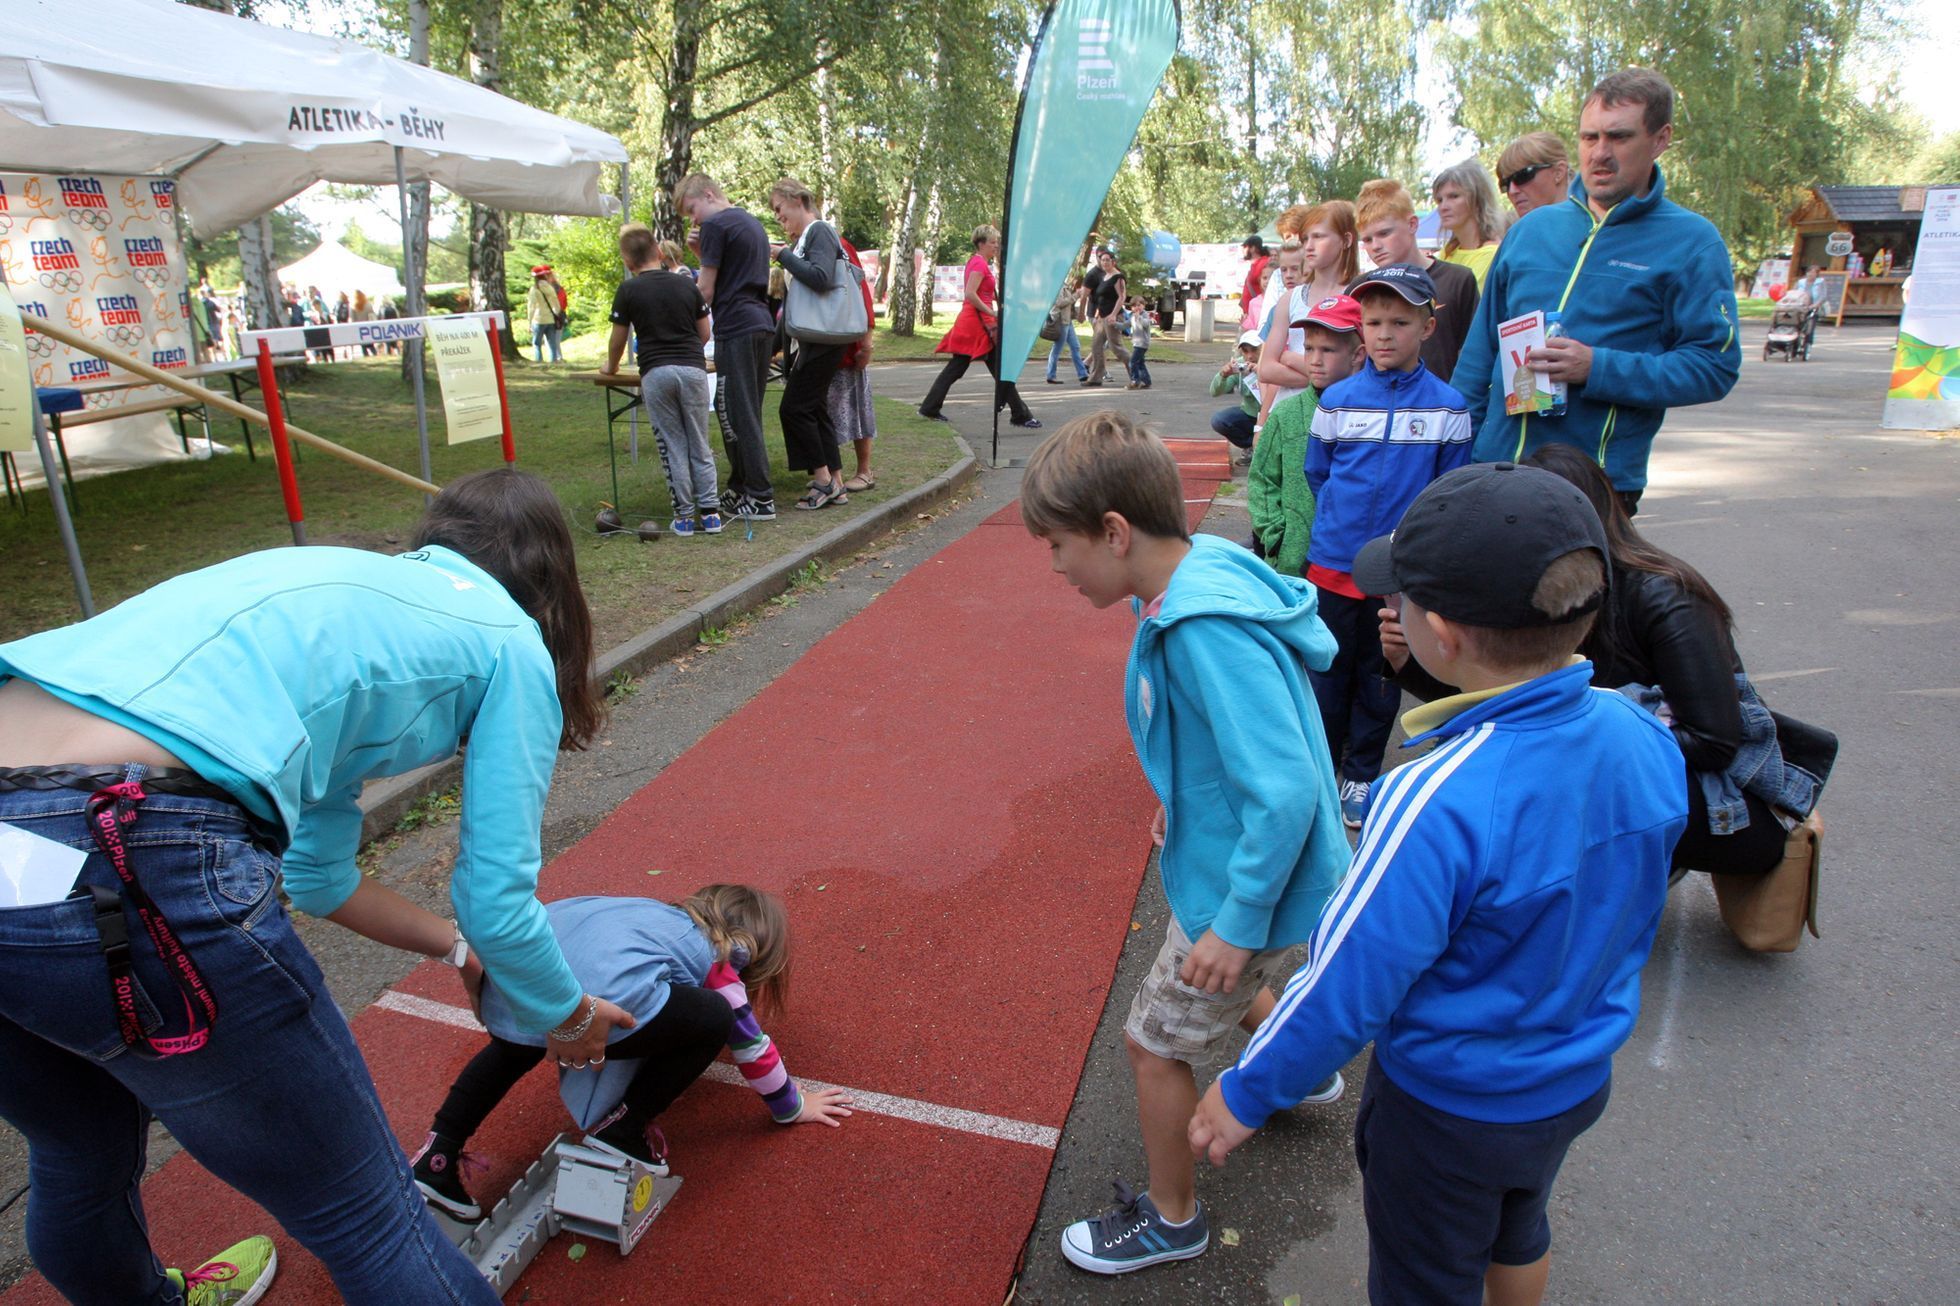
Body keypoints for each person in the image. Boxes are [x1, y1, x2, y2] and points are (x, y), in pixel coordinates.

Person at [0, 468, 625, 1305]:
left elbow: (319, 878)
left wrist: (452, 945)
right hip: (121, 836)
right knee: (368, 1216)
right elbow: (502, 904)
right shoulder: (511, 641)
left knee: (78, 1146)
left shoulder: (346, 596)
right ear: (555, 584)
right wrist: (569, 1017)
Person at [1188, 461, 1688, 1306]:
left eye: (1399, 598)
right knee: (1519, 1223)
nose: (1388, 609)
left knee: (1425, 1275)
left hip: (1450, 1109)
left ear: (1441, 634)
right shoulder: (1640, 730)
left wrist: (1249, 1087)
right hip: (1571, 1079)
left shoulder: (1433, 796)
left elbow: (1348, 980)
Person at [1021, 412, 1350, 1277]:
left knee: (1154, 1044)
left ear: (1115, 532)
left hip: (1254, 888)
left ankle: (1173, 1220)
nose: (1055, 567)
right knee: (1226, 982)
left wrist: (1237, 921)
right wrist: (1185, 802)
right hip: (1252, 867)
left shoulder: (1203, 627)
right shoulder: (1195, 575)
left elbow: (1281, 790)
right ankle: (1294, 1065)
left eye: (1058, 546)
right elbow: (1229, 748)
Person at [1382, 443, 1825, 881]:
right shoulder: (1553, 595)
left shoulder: (1667, 597)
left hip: (1723, 805)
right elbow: (1501, 695)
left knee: (1536, 778)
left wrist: (1587, 739)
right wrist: (1410, 664)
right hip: (1633, 767)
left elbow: (1714, 741)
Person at [410, 885, 853, 1220]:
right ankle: (623, 1130)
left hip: (512, 980)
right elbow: (750, 1043)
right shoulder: (722, 957)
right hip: (588, 1006)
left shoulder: (651, 914)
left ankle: (437, 1157)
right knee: (713, 1017)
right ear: (755, 949)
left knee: (512, 1049)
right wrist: (792, 1107)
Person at [1451, 67, 1742, 516]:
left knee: (1580, 591)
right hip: (1496, 471)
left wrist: (1598, 367)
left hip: (1595, 485)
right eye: (1590, 138)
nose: (1600, 154)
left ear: (1660, 139)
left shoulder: (1692, 242)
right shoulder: (1531, 230)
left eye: (1619, 137)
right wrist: (1457, 453)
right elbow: (1480, 353)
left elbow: (1713, 366)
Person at [1306, 264, 1472, 828]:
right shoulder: (1337, 400)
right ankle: (1319, 770)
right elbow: (1319, 475)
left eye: (1399, 321)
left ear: (1427, 327)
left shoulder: (1448, 409)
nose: (1383, 334)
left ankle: (1361, 774)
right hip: (1331, 567)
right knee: (1327, 671)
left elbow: (1448, 492)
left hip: (1399, 576)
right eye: (1373, 321)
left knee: (1383, 677)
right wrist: (1338, 528)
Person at [601, 223, 721, 537]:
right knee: (699, 440)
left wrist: (610, 366)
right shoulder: (687, 284)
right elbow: (705, 331)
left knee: (673, 443)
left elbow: (619, 339)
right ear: (658, 251)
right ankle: (710, 513)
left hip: (656, 371)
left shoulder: (628, 290)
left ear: (627, 262)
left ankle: (683, 516)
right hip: (693, 370)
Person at [676, 173, 778, 521]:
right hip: (762, 325)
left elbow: (705, 289)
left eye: (692, 210)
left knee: (735, 413)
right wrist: (698, 252)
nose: (694, 220)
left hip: (736, 327)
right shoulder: (751, 223)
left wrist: (680, 324)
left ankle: (761, 497)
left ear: (708, 194)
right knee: (744, 410)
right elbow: (735, 272)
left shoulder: (716, 225)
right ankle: (741, 488)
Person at [1248, 294, 1363, 578]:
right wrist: (1276, 537)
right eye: (1309, 349)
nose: (1315, 360)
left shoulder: (1372, 414)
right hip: (1293, 564)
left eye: (1328, 350)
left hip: (1353, 567)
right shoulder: (1286, 415)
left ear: (1357, 355)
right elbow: (1262, 479)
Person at [767, 178, 852, 510]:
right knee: (814, 409)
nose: (777, 216)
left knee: (794, 408)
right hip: (818, 339)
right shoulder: (809, 237)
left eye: (779, 208)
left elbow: (820, 277)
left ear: (798, 200)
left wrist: (784, 255)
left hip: (824, 339)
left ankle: (824, 480)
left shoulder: (819, 231)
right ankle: (837, 484)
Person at [1353, 177, 1479, 381]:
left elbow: (1474, 356)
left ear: (1412, 224)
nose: (1375, 246)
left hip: (1441, 407)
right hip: (1373, 408)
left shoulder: (1457, 280)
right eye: (1367, 239)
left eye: (1384, 233)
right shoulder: (1360, 288)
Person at [916, 224, 1041, 429]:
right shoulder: (979, 264)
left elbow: (983, 293)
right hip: (977, 325)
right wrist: (990, 311)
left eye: (996, 242)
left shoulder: (978, 262)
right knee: (997, 369)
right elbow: (970, 294)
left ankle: (929, 407)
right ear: (981, 243)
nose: (996, 246)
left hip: (976, 322)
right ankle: (1020, 414)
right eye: (992, 242)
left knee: (963, 368)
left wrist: (1008, 305)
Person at [828, 231, 879, 493]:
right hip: (827, 346)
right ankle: (830, 473)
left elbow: (862, 295)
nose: (782, 221)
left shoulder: (839, 245)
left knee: (858, 408)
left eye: (782, 211)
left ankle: (864, 470)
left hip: (850, 348)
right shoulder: (801, 246)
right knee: (827, 411)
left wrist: (867, 344)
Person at [1433, 158, 1508, 289]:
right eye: (1439, 200)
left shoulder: (1490, 254)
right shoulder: (1449, 252)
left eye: (1454, 196)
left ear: (1478, 199)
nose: (1443, 207)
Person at [1207, 330, 1264, 452]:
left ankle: (1263, 446)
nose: (1249, 356)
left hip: (1270, 416)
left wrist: (1261, 372)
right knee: (1219, 420)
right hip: (1250, 414)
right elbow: (1214, 392)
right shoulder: (1240, 365)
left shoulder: (1271, 364)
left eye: (1254, 350)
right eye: (1245, 351)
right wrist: (1223, 375)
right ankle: (1251, 446)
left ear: (1263, 348)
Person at [1083, 247, 1131, 387]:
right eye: (1102, 260)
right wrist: (1099, 315)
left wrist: (1114, 315)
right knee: (1096, 346)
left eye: (1107, 260)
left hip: (1113, 317)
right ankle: (1096, 377)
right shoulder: (1105, 276)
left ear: (1113, 262)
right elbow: (1100, 298)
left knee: (1117, 348)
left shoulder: (1118, 277)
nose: (1104, 263)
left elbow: (1122, 297)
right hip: (1101, 318)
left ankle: (1136, 374)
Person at [1497, 132, 1573, 218]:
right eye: (1505, 184)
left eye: (1522, 176)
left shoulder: (1587, 224)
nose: (1512, 191)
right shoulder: (1515, 230)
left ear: (1559, 172)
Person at [1044, 276, 1088, 385]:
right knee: (1057, 349)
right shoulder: (1057, 286)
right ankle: (1051, 375)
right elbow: (1059, 303)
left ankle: (1083, 374)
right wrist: (1076, 296)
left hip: (1067, 321)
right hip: (1061, 321)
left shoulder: (1064, 285)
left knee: (1075, 346)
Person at [527, 264, 563, 363]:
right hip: (550, 319)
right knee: (552, 344)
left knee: (537, 343)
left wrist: (529, 322)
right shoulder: (550, 288)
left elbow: (531, 307)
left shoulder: (534, 289)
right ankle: (553, 361)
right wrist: (556, 313)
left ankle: (539, 361)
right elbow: (556, 305)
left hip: (538, 320)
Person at [1240, 234, 1270, 325]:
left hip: (1259, 312)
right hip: (1251, 313)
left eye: (1245, 246)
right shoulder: (1256, 264)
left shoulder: (1264, 263)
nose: (1243, 250)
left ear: (1253, 248)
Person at [1125, 296, 1153, 389]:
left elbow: (1146, 324)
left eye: (1139, 305)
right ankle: (1147, 381)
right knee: (1140, 363)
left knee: (1132, 362)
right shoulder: (1132, 317)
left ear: (1143, 306)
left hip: (1143, 343)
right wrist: (1115, 324)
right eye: (1134, 306)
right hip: (1136, 343)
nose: (1137, 308)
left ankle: (1135, 381)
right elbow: (1126, 325)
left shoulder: (1145, 315)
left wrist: (1139, 317)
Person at [350, 289, 377, 356]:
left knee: (363, 346)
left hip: (360, 328)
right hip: (368, 327)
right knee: (371, 344)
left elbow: (353, 320)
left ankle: (366, 356)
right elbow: (372, 315)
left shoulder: (353, 306)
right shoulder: (368, 304)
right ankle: (375, 354)